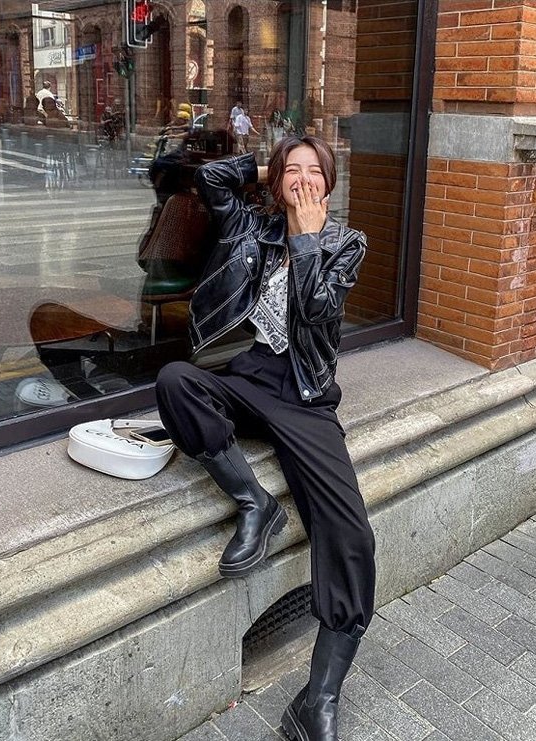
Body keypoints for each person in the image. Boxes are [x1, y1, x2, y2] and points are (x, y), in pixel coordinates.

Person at [155, 136, 376, 741]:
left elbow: (317, 314)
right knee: (176, 382)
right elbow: (211, 179)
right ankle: (255, 502)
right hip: (249, 374)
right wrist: (270, 171)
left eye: (315, 172)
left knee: (351, 533)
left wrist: (306, 239)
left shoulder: (346, 243)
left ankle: (318, 698)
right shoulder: (254, 225)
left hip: (304, 394)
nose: (304, 181)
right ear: (276, 181)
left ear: (330, 184)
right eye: (292, 172)